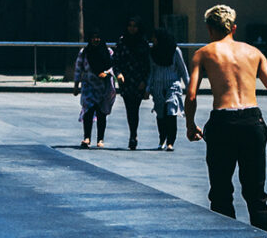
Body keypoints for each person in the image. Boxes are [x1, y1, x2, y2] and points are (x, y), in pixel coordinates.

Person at [186, 4, 267, 232]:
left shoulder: (204, 53)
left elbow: (191, 95)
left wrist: (190, 125)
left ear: (209, 29)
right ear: (234, 28)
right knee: (256, 193)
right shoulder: (254, 53)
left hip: (222, 124)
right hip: (252, 122)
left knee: (220, 192)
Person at [146, 29, 189, 151]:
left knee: (171, 111)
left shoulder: (175, 51)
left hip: (173, 86)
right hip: (158, 86)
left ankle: (171, 141)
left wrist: (189, 87)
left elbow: (183, 70)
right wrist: (148, 88)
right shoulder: (153, 52)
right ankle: (162, 139)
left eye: (155, 37)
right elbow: (151, 71)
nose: (153, 40)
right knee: (160, 114)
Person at [73, 32, 116, 148]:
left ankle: (100, 139)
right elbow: (78, 68)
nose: (95, 40)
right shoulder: (84, 52)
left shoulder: (108, 52)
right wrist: (76, 85)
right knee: (88, 110)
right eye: (93, 37)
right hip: (89, 85)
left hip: (104, 86)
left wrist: (106, 73)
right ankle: (87, 137)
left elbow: (114, 66)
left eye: (98, 37)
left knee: (101, 112)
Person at [113, 16, 150, 150]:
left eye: (135, 26)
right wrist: (118, 74)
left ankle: (134, 134)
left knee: (135, 108)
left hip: (138, 80)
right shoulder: (122, 42)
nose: (132, 28)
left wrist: (144, 81)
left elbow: (147, 64)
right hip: (126, 80)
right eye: (130, 25)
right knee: (129, 108)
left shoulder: (143, 43)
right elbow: (115, 61)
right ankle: (132, 134)